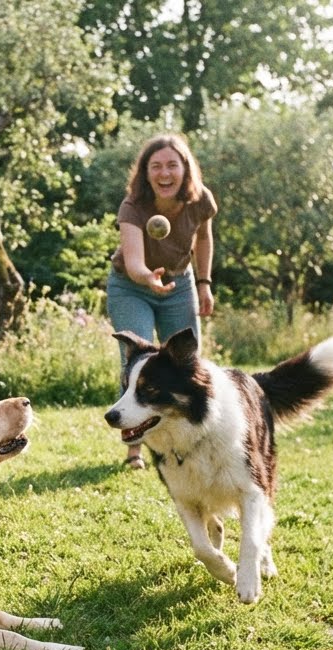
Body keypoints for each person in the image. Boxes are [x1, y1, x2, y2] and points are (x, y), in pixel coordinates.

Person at [106, 134, 217, 469]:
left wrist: (203, 283)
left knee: (187, 362)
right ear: (145, 172)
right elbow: (135, 260)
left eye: (172, 165)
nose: (164, 173)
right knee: (135, 362)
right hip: (131, 285)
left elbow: (203, 237)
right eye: (156, 166)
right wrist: (147, 277)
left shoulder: (200, 200)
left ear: (185, 169)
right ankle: (135, 449)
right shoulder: (133, 206)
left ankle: (197, 439)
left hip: (179, 283)